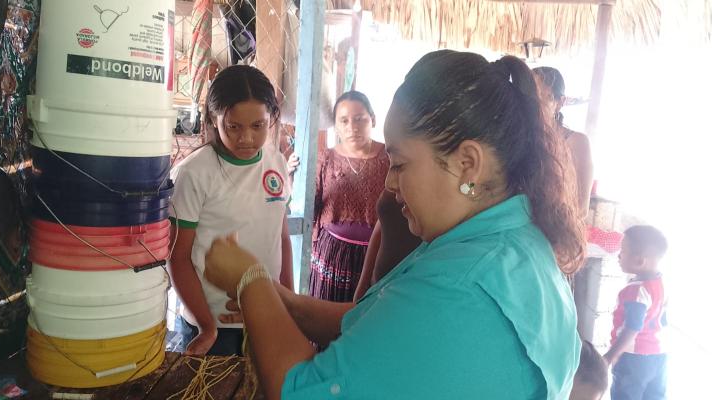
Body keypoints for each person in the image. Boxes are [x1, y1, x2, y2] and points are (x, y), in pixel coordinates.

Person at [202, 50, 585, 399]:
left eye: (399, 164)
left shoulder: (460, 285)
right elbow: (374, 324)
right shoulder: (515, 244)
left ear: (467, 163)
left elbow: (302, 391)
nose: (389, 182)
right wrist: (284, 303)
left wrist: (251, 281)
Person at [167, 65, 292, 356]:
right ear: (213, 118)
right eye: (233, 127)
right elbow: (179, 256)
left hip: (266, 315)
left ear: (271, 119)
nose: (246, 138)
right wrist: (206, 326)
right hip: (213, 325)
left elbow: (281, 238)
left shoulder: (276, 163)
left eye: (258, 126)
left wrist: (288, 303)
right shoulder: (194, 173)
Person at [309, 91, 389, 302]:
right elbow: (311, 204)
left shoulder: (390, 159)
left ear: (372, 119)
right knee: (325, 319)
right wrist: (292, 178)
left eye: (359, 119)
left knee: (366, 318)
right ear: (336, 126)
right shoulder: (325, 159)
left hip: (377, 256)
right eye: (344, 121)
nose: (352, 127)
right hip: (333, 256)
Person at [604, 225, 669, 400]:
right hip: (659, 355)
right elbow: (664, 320)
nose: (619, 255)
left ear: (639, 260)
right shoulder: (661, 283)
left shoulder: (635, 291)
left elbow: (632, 327)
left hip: (634, 359)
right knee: (654, 396)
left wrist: (609, 357)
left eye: (622, 251)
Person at [533, 66, 594, 216]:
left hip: (554, 233)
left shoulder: (576, 142)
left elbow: (581, 208)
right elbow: (474, 185)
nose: (533, 105)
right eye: (529, 97)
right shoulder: (518, 137)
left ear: (560, 102)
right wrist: (467, 188)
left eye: (542, 98)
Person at [353, 190, 422, 300]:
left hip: (409, 291)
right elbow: (379, 230)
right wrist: (362, 285)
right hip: (377, 286)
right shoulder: (395, 179)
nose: (390, 181)